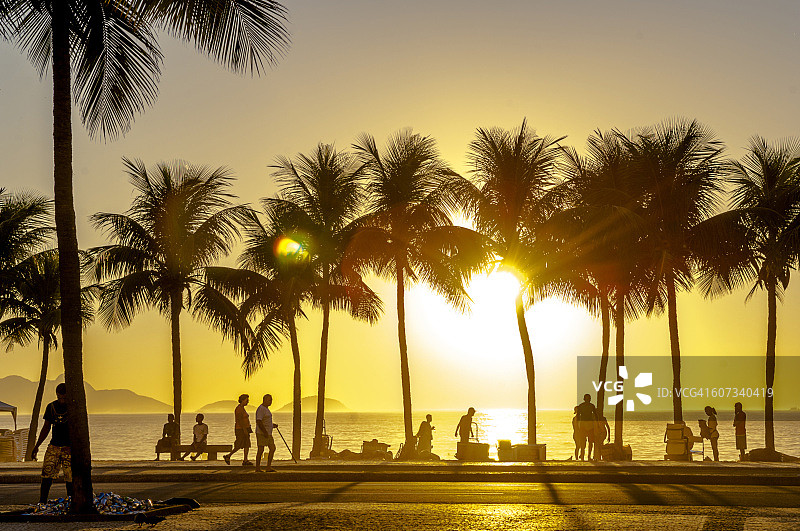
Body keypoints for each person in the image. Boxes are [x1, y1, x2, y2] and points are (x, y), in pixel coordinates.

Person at [31, 383, 72, 504]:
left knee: (70, 477)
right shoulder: (51, 407)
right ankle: (42, 502)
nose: (62, 400)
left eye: (64, 398)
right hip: (54, 446)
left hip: (69, 448)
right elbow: (46, 428)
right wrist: (37, 446)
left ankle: (71, 502)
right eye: (59, 398)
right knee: (46, 475)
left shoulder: (73, 407)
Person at [223, 394, 253, 466]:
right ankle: (228, 456)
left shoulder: (242, 408)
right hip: (241, 429)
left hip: (244, 428)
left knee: (247, 444)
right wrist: (244, 429)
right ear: (243, 400)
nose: (248, 401)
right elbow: (239, 420)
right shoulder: (239, 409)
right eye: (247, 400)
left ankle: (245, 460)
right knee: (239, 444)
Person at [255, 394, 278, 472]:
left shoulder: (267, 409)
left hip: (268, 433)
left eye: (271, 400)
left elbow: (266, 420)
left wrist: (272, 425)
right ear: (264, 400)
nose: (271, 401)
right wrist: (264, 431)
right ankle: (257, 468)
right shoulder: (261, 409)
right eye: (269, 400)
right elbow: (259, 421)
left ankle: (268, 467)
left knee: (272, 448)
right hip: (262, 433)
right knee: (260, 450)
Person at [574, 394, 597, 461]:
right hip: (584, 425)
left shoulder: (589, 406)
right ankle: (584, 457)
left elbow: (595, 415)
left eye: (589, 398)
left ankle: (587, 456)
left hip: (587, 425)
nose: (588, 400)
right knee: (584, 442)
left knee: (588, 442)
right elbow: (578, 416)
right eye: (588, 398)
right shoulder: (584, 406)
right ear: (584, 399)